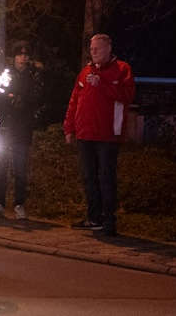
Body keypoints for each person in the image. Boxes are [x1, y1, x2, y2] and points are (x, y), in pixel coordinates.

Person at [64, 33, 135, 237]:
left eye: (97, 49)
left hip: (107, 136)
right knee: (89, 177)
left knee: (106, 177)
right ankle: (93, 217)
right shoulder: (85, 72)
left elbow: (127, 96)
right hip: (85, 134)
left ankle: (109, 221)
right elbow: (74, 100)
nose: (93, 52)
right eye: (91, 49)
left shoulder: (122, 70)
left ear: (108, 49)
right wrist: (69, 127)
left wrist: (102, 85)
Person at [0, 41, 43, 220]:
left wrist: (22, 100)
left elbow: (37, 97)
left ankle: (19, 204)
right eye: (19, 55)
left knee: (20, 169)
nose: (22, 58)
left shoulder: (32, 76)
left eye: (25, 55)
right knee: (1, 168)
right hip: (5, 127)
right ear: (14, 58)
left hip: (22, 128)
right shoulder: (6, 75)